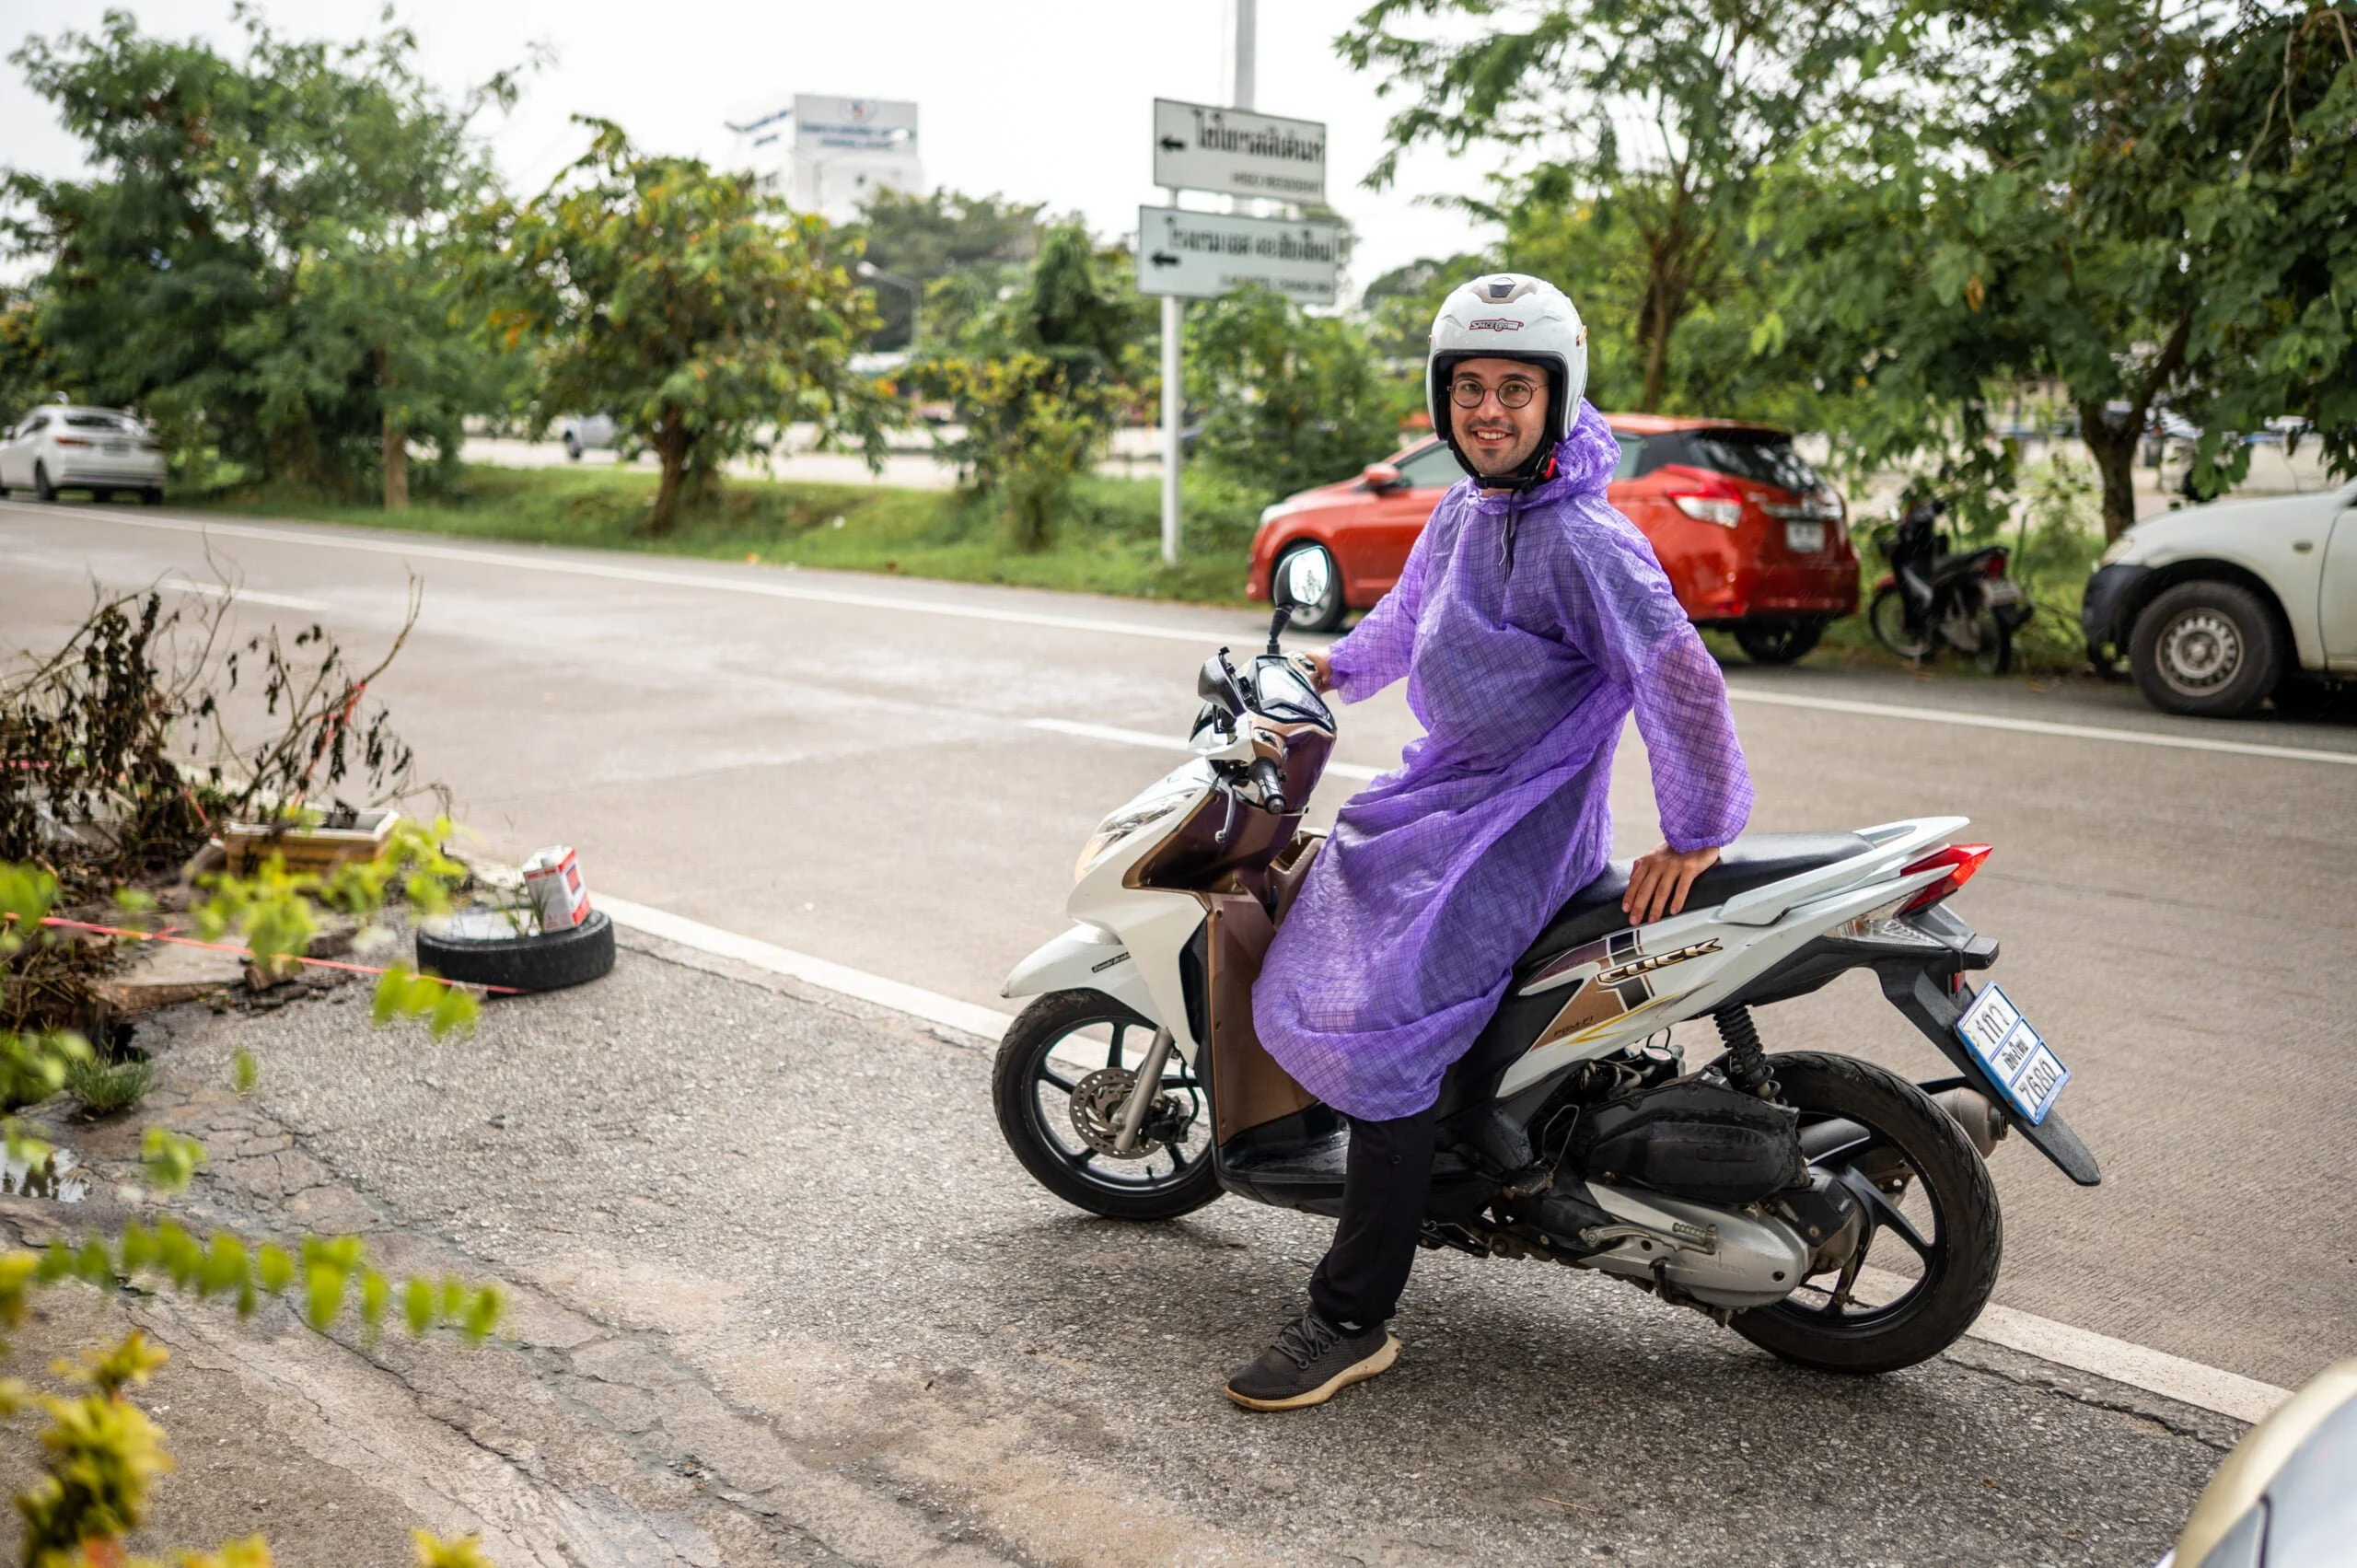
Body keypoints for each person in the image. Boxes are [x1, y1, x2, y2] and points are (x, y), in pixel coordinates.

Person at [1225, 273, 1755, 1411]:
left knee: (1386, 1017)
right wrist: (1326, 670)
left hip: (1524, 817)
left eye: (1515, 388)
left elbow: (1679, 679)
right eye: (1468, 387)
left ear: (1557, 400)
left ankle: (1350, 1314)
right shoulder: (1472, 509)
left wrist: (1696, 831)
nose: (1488, 410)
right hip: (1444, 794)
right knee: (1335, 879)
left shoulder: (1586, 539)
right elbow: (1407, 622)